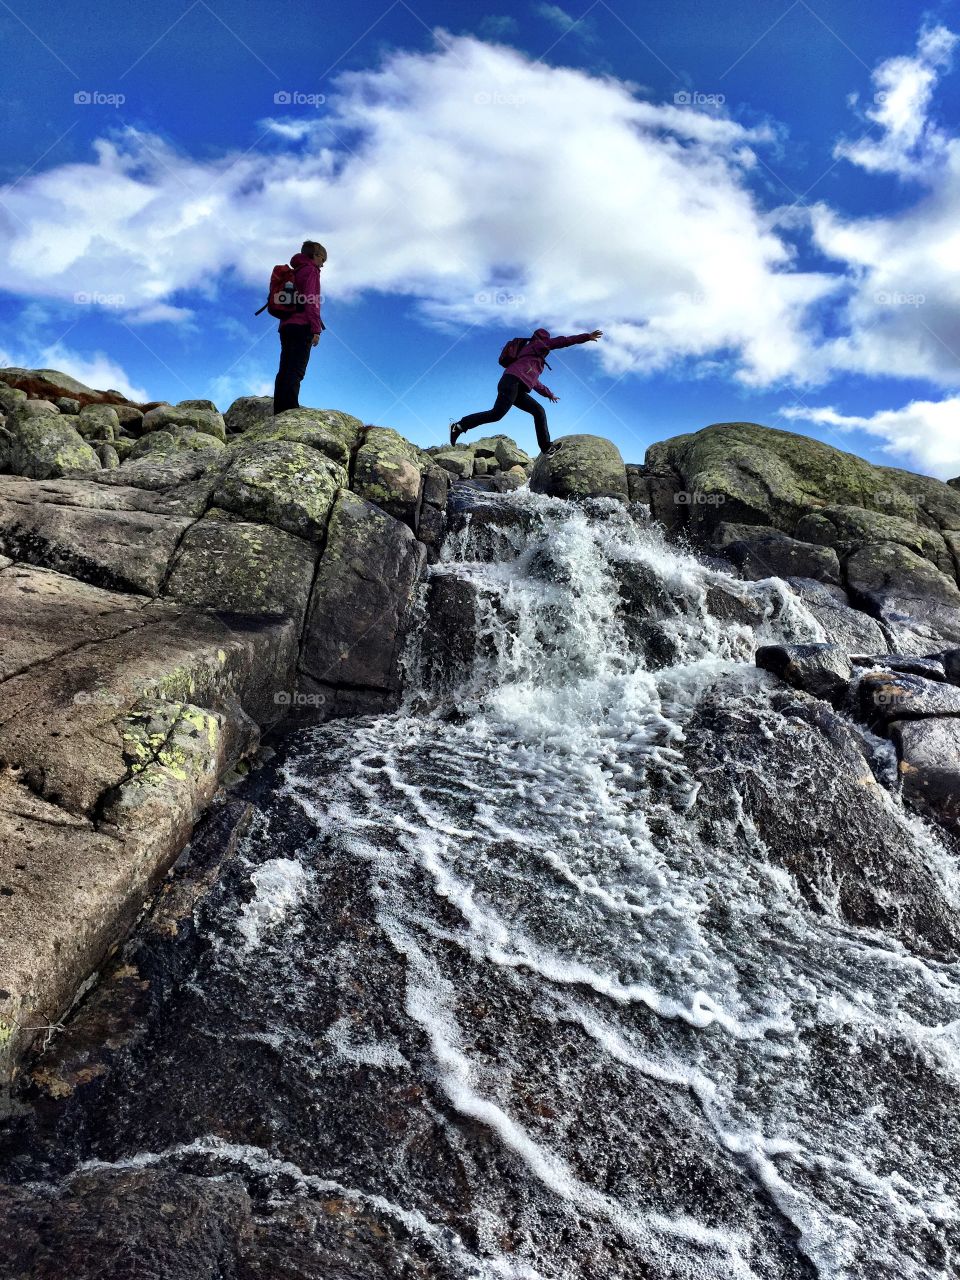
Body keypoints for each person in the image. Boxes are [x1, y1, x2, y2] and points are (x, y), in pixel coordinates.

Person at [450, 327, 603, 453]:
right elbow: (562, 341)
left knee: (538, 411)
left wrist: (549, 394)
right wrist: (586, 337)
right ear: (543, 339)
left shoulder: (532, 358)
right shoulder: (537, 345)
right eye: (547, 340)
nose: (548, 344)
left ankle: (546, 447)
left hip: (516, 386)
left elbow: (534, 382)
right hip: (511, 382)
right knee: (496, 414)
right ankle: (459, 426)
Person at [273, 240, 326, 415]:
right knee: (296, 369)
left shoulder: (294, 271)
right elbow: (312, 300)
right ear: (315, 255)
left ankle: (279, 409)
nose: (322, 265)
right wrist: (316, 329)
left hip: (286, 326)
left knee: (285, 368)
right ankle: (289, 410)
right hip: (302, 326)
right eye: (322, 259)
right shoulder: (311, 270)